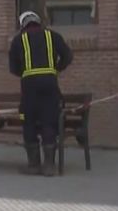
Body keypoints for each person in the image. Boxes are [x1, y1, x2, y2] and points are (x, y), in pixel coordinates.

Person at [9, 10, 74, 176]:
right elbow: (67, 56)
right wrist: (55, 70)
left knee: (29, 121)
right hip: (49, 85)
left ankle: (33, 165)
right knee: (48, 121)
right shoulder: (53, 36)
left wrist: (25, 73)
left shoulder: (18, 40)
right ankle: (49, 166)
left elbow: (13, 68)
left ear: (23, 24)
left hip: (29, 86)